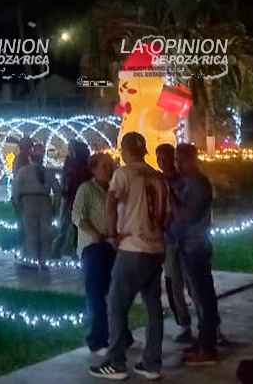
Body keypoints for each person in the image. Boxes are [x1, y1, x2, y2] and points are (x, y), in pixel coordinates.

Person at [90, 132, 170, 381]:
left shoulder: (124, 174)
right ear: (144, 151)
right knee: (152, 305)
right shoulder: (158, 176)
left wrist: (113, 234)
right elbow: (168, 214)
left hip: (133, 247)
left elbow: (112, 202)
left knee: (115, 303)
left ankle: (116, 362)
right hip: (156, 248)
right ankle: (152, 363)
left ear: (124, 150)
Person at [172, 143, 220, 365]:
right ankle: (203, 341)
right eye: (176, 160)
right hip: (186, 246)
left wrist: (171, 199)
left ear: (194, 159)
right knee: (197, 296)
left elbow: (189, 215)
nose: (178, 164)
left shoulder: (200, 185)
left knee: (203, 298)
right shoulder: (185, 182)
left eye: (182, 160)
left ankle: (208, 347)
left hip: (196, 248)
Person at [74, 152, 117, 353]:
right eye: (104, 166)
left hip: (113, 246)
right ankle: (97, 340)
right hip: (94, 247)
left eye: (111, 166)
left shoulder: (113, 189)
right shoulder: (87, 189)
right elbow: (78, 216)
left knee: (116, 294)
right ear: (93, 169)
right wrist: (96, 235)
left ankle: (121, 337)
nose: (109, 169)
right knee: (97, 295)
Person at [157, 144, 193, 344]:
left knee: (194, 282)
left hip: (187, 239)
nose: (163, 162)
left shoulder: (184, 181)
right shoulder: (159, 181)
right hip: (169, 240)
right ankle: (183, 323)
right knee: (173, 283)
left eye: (167, 158)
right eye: (159, 158)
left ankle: (208, 323)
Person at [11, 142, 58, 267]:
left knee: (32, 232)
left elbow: (16, 187)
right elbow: (57, 189)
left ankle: (33, 259)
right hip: (44, 200)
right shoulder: (47, 172)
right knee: (44, 232)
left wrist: (16, 202)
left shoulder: (24, 171)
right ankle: (43, 260)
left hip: (29, 200)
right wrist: (55, 206)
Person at [55, 140, 91, 258]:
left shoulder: (79, 164)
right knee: (66, 224)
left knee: (74, 225)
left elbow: (70, 178)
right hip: (70, 196)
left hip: (75, 196)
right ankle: (59, 250)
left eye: (71, 148)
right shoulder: (72, 162)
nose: (69, 151)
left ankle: (74, 250)